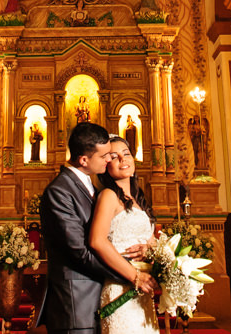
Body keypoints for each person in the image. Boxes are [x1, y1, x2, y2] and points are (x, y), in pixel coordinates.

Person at [35, 123, 152, 334]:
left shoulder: (95, 188)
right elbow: (80, 252)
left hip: (101, 299)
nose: (109, 159)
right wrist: (131, 273)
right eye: (105, 156)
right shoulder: (59, 192)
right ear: (84, 160)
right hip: (75, 303)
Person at [89, 136, 160, 334]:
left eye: (126, 154)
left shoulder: (139, 200)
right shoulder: (108, 196)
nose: (123, 159)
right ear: (106, 165)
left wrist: (149, 249)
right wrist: (135, 276)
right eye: (114, 157)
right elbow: (97, 241)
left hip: (143, 291)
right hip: (120, 287)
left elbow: (152, 241)